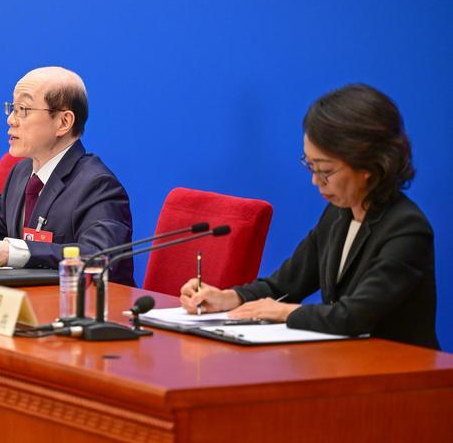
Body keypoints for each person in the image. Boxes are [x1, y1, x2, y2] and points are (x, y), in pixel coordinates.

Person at [181, 84, 438, 348]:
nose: (316, 181)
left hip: (401, 374)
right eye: (310, 166)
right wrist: (229, 297)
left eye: (325, 170)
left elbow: (354, 316)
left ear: (369, 166)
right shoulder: (338, 215)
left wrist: (284, 312)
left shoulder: (407, 229)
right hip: (345, 363)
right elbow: (282, 285)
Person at [0, 66, 135, 286]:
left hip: (90, 310)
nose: (11, 120)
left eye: (23, 109)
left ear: (64, 122)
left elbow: (99, 256)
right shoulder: (22, 172)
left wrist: (16, 252)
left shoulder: (97, 185)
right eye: (12, 108)